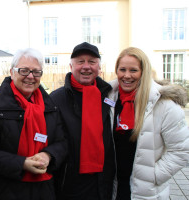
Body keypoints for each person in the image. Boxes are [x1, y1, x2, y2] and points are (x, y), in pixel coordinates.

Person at [0, 48, 67, 200]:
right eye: (24, 71)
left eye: (36, 72)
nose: (30, 76)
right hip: (5, 191)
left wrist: (48, 155)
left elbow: (62, 143)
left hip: (43, 190)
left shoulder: (50, 106)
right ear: (12, 72)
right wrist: (22, 163)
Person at [108, 47, 189, 199]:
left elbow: (181, 151)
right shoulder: (108, 98)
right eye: (122, 69)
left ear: (143, 72)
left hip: (146, 190)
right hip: (114, 188)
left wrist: (154, 176)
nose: (127, 75)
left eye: (133, 70)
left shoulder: (164, 104)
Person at [50, 42, 115, 200]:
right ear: (71, 66)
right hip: (70, 184)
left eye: (92, 62)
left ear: (99, 67)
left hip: (103, 183)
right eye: (80, 61)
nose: (86, 66)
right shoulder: (55, 99)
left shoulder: (109, 95)